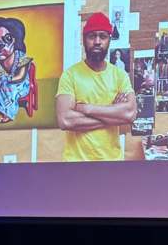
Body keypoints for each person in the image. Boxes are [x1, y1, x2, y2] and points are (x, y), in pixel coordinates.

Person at [55, 12, 137, 161]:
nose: (97, 41)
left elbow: (130, 113)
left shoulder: (120, 75)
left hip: (111, 163)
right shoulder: (70, 75)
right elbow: (65, 120)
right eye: (92, 36)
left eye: (103, 36)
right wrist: (113, 114)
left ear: (109, 40)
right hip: (76, 164)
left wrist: (87, 109)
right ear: (84, 40)